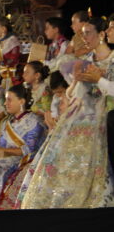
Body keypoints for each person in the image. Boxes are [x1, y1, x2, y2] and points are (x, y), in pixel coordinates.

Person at [20, 17, 113, 209]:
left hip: (103, 115)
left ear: (102, 34)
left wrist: (98, 81)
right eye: (82, 33)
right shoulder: (86, 60)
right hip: (78, 114)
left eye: (88, 32)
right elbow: (71, 93)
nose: (84, 37)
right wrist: (76, 83)